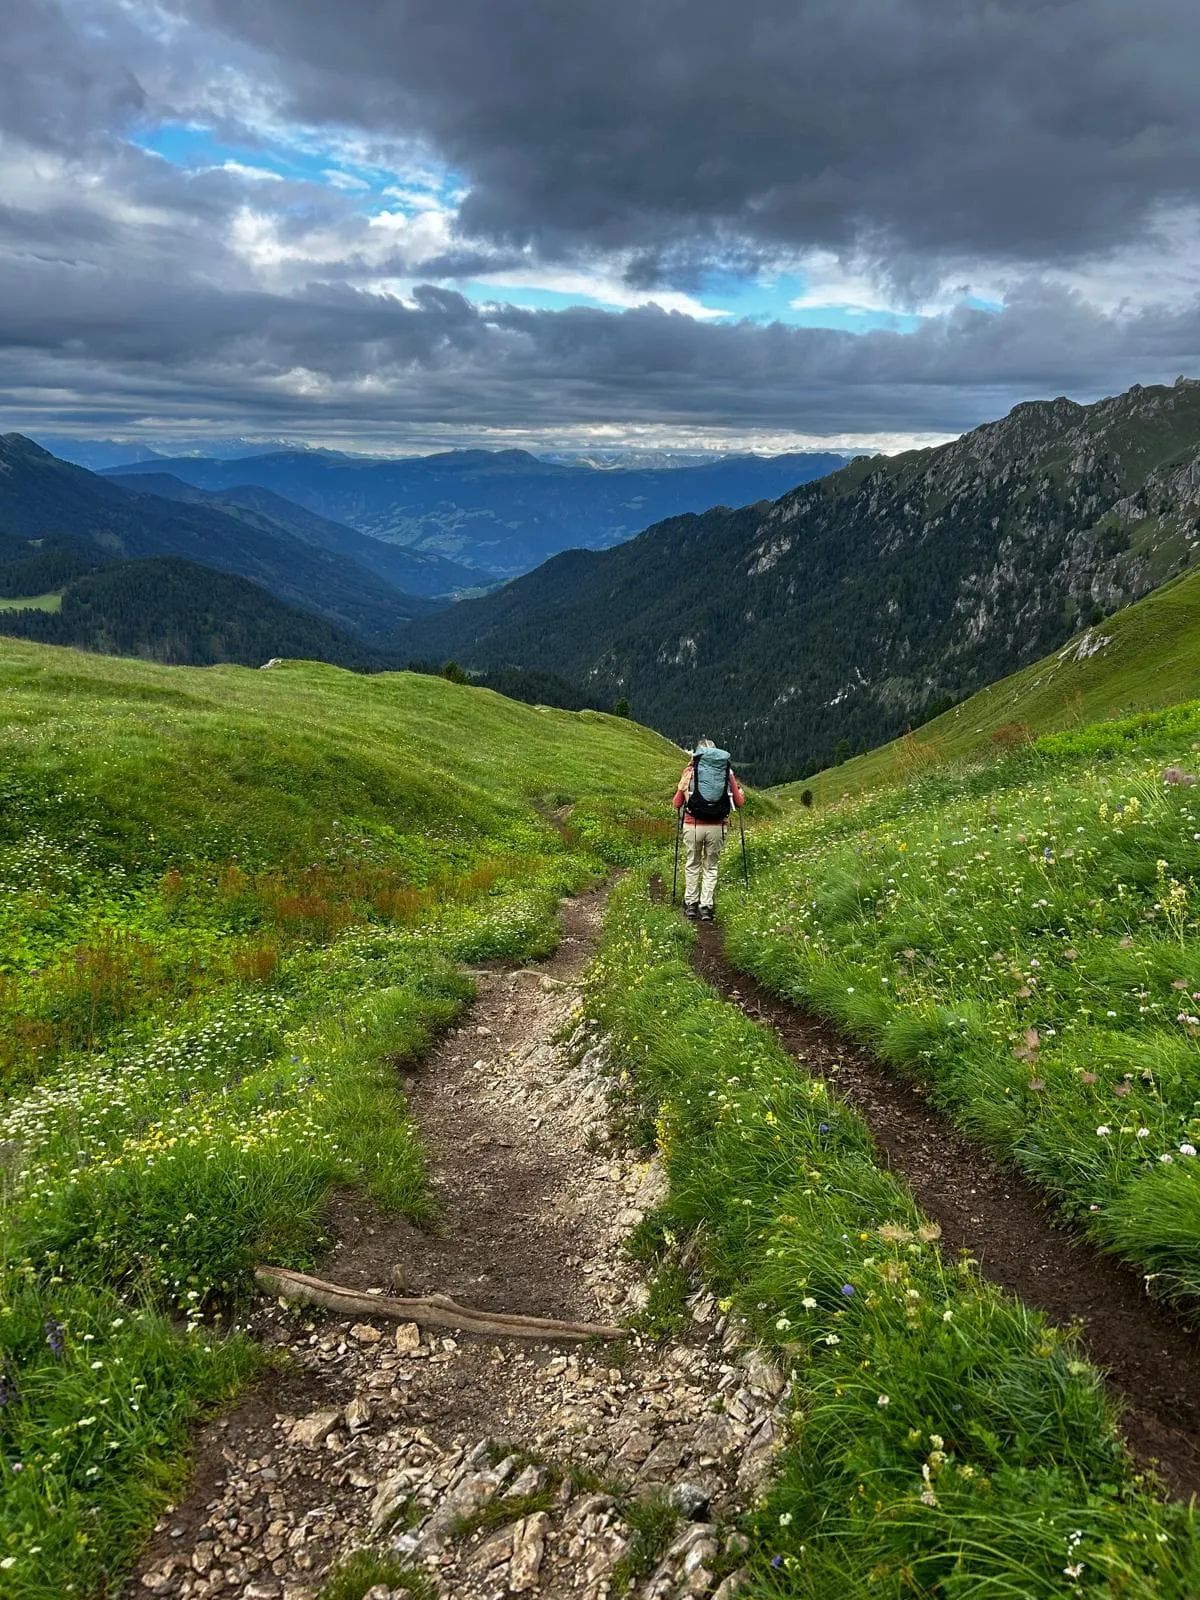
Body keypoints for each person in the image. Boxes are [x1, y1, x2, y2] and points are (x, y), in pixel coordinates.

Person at [673, 738, 745, 920]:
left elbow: (677, 803)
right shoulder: (726, 771)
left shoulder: (690, 771)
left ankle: (691, 905)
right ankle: (706, 907)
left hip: (693, 824)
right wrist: (740, 794)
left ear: (697, 754)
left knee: (692, 864)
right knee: (711, 866)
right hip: (717, 826)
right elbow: (739, 802)